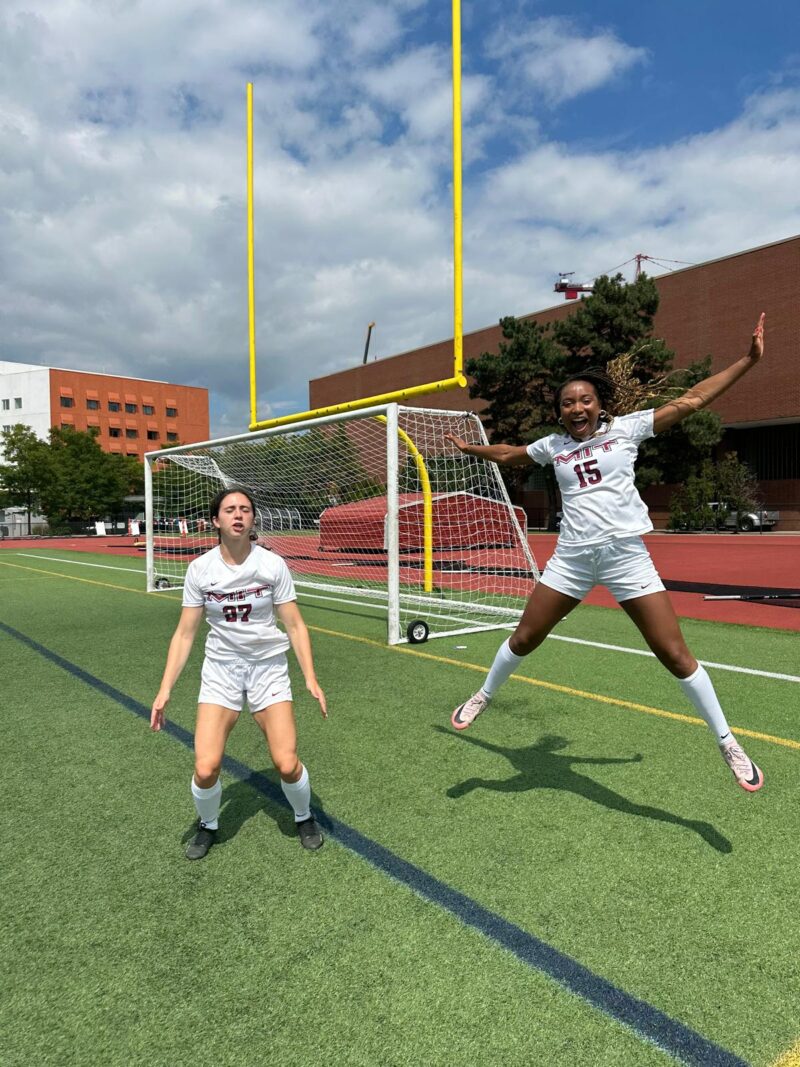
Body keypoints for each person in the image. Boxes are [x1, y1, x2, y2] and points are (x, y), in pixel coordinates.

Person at [445, 314, 767, 793]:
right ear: (560, 413)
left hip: (625, 558)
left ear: (599, 406)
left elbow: (693, 398)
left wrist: (747, 360)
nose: (577, 407)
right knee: (525, 638)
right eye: (568, 402)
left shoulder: (629, 430)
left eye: (585, 400)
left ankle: (727, 741)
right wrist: (470, 449)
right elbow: (510, 454)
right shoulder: (553, 446)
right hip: (571, 559)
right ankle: (484, 694)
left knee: (675, 654)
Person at [151, 486, 328, 859]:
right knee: (206, 766)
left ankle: (303, 814)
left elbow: (294, 625)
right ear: (216, 520)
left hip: (268, 668)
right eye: (230, 509)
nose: (238, 515)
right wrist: (165, 689)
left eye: (245, 509)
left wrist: (310, 677)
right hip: (222, 670)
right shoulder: (200, 569)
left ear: (252, 519)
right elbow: (185, 633)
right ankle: (209, 824)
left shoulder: (271, 564)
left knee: (286, 762)